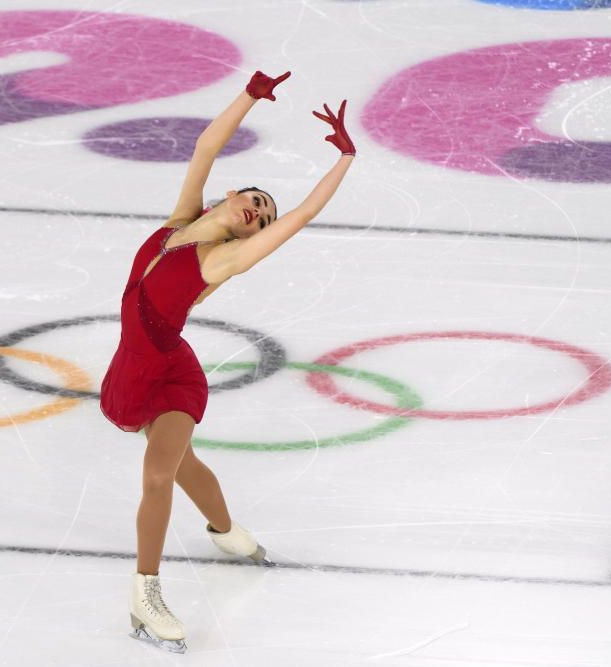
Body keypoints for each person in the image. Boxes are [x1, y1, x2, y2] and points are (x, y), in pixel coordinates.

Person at [99, 69, 356, 654]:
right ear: (229, 198)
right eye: (256, 200)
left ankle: (146, 591)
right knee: (187, 469)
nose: (260, 213)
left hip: (173, 375)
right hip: (132, 371)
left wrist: (343, 159)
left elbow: (301, 218)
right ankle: (230, 534)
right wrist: (250, 95)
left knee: (161, 473)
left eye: (263, 217)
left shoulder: (220, 262)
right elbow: (205, 147)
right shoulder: (179, 221)